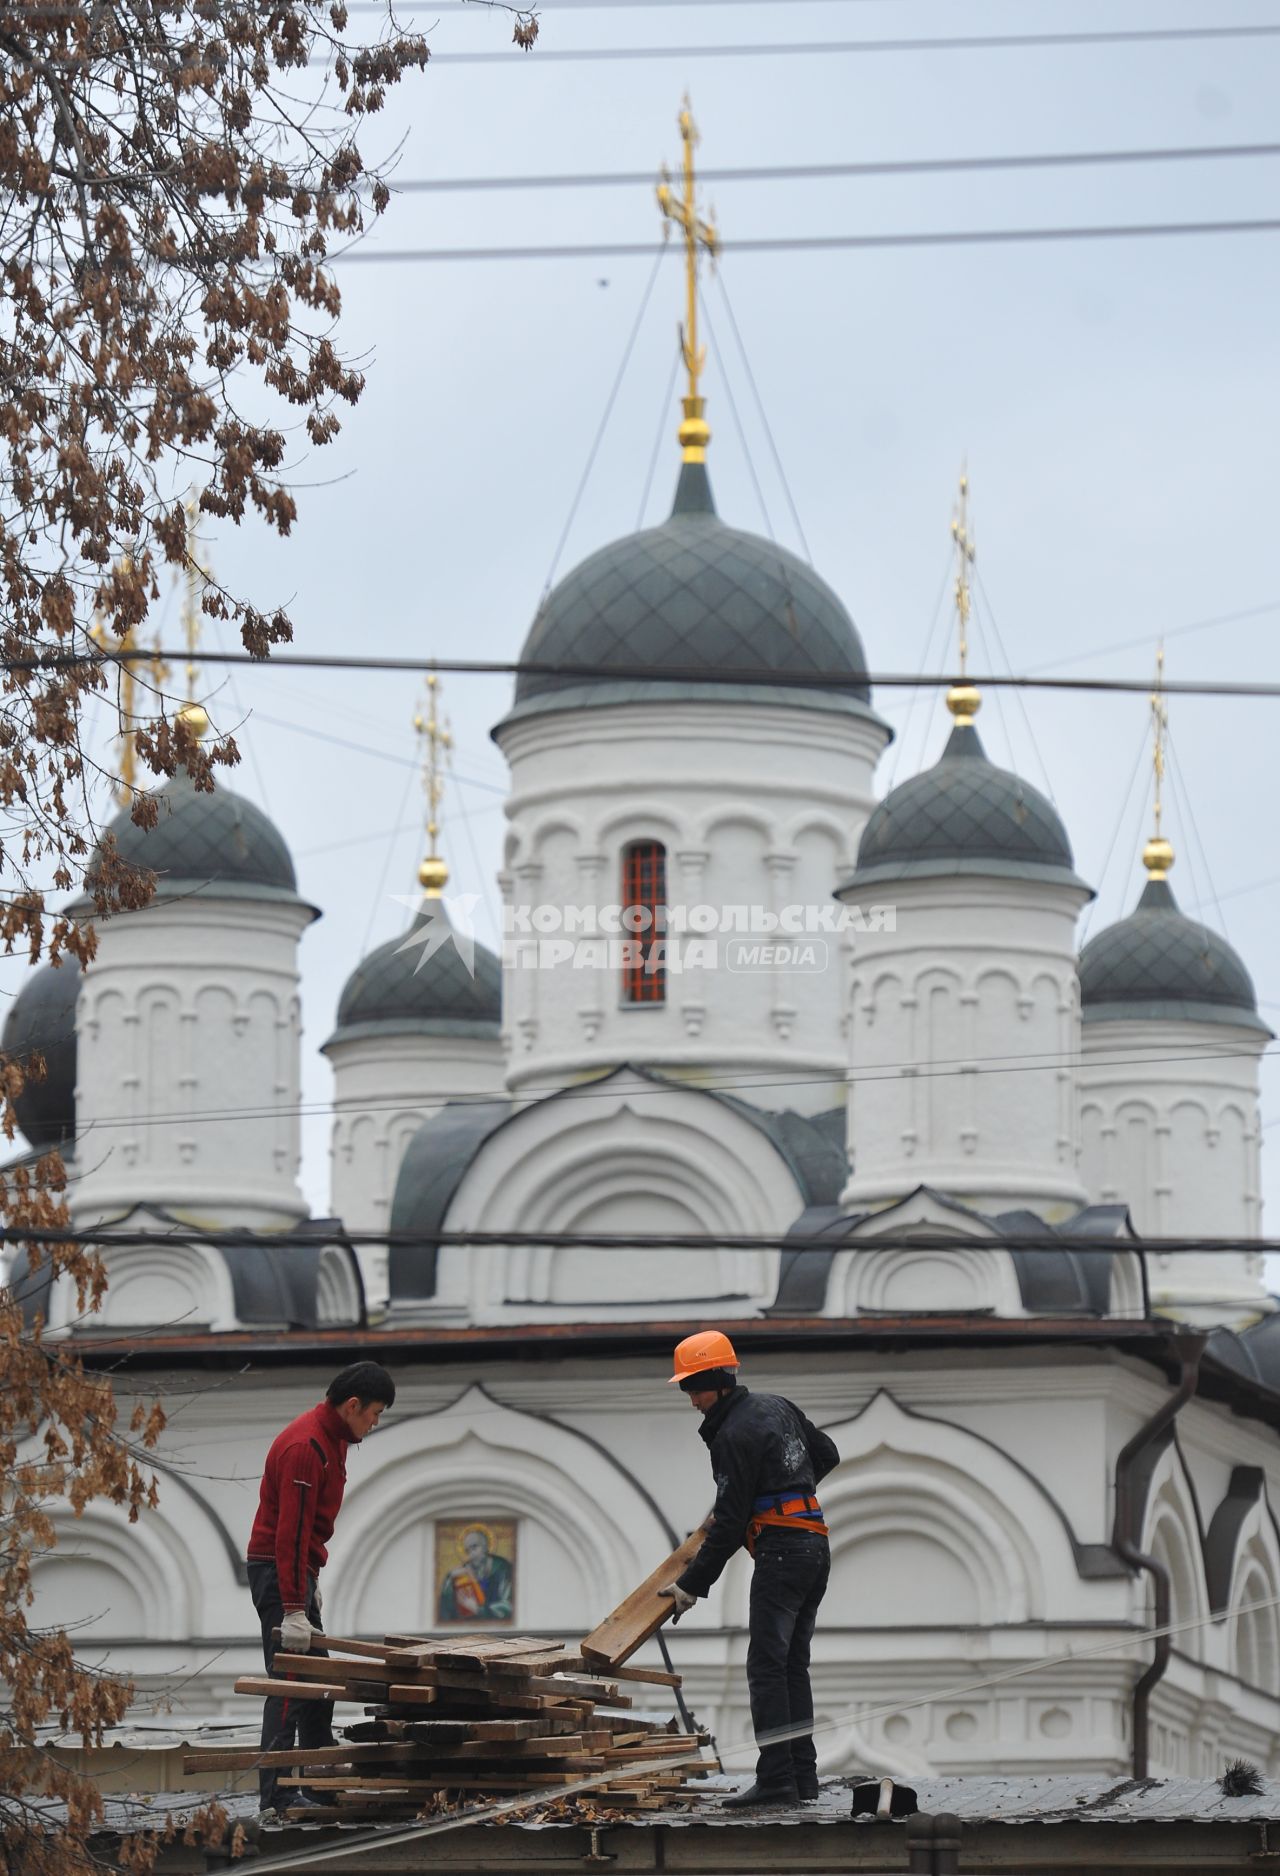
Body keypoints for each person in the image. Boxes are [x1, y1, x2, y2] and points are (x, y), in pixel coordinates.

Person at [659, 1330, 838, 1809]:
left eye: (693, 1387)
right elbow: (827, 1454)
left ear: (717, 1379)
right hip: (814, 1545)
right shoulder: (778, 1406)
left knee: (766, 1667)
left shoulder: (733, 1434)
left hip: (782, 1553)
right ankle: (802, 1778)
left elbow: (731, 1521)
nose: (692, 1400)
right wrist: (785, 1492)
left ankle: (778, 1778)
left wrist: (690, 1586)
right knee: (790, 1666)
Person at [245, 1361, 396, 1822]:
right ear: (352, 1405)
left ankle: (314, 1785)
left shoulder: (333, 1439)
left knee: (318, 1686)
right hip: (278, 1570)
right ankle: (277, 1795)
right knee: (291, 1682)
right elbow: (289, 1533)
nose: (374, 1422)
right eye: (373, 1413)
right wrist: (294, 1606)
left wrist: (309, 1586)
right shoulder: (306, 1446)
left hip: (293, 1572)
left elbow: (307, 1533)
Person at [438, 1525, 515, 1622]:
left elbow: (509, 1605)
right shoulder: (464, 1570)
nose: (471, 1554)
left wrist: (478, 1609)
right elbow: (447, 1607)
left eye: (474, 1547)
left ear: (486, 1546)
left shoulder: (502, 1568)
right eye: (467, 1550)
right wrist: (450, 1579)